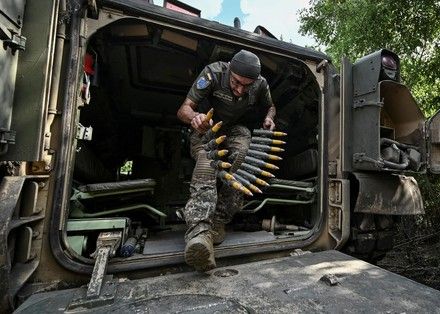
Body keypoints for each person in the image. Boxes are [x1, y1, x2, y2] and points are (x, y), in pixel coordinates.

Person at [176, 49, 276, 272]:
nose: (240, 89)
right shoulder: (213, 73)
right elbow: (184, 109)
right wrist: (196, 118)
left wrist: (269, 118)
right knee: (208, 162)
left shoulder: (260, 84)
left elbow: (270, 105)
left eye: (246, 85)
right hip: (207, 126)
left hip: (235, 128)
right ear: (230, 69)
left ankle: (219, 220)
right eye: (236, 82)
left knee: (244, 155)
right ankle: (199, 233)